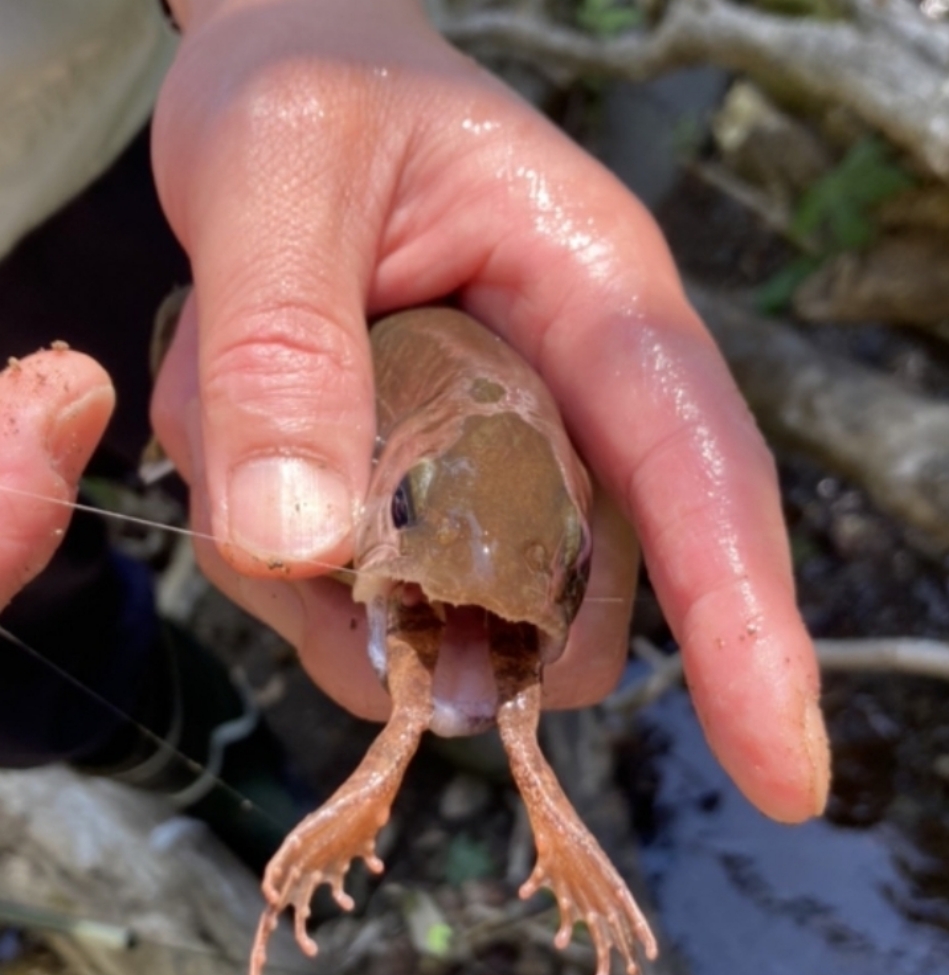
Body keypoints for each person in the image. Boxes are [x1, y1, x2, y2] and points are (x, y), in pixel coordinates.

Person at [0, 0, 830, 844]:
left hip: (140, 139)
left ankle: (217, 756)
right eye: (406, 511)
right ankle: (153, 745)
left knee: (194, 467)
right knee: (29, 673)